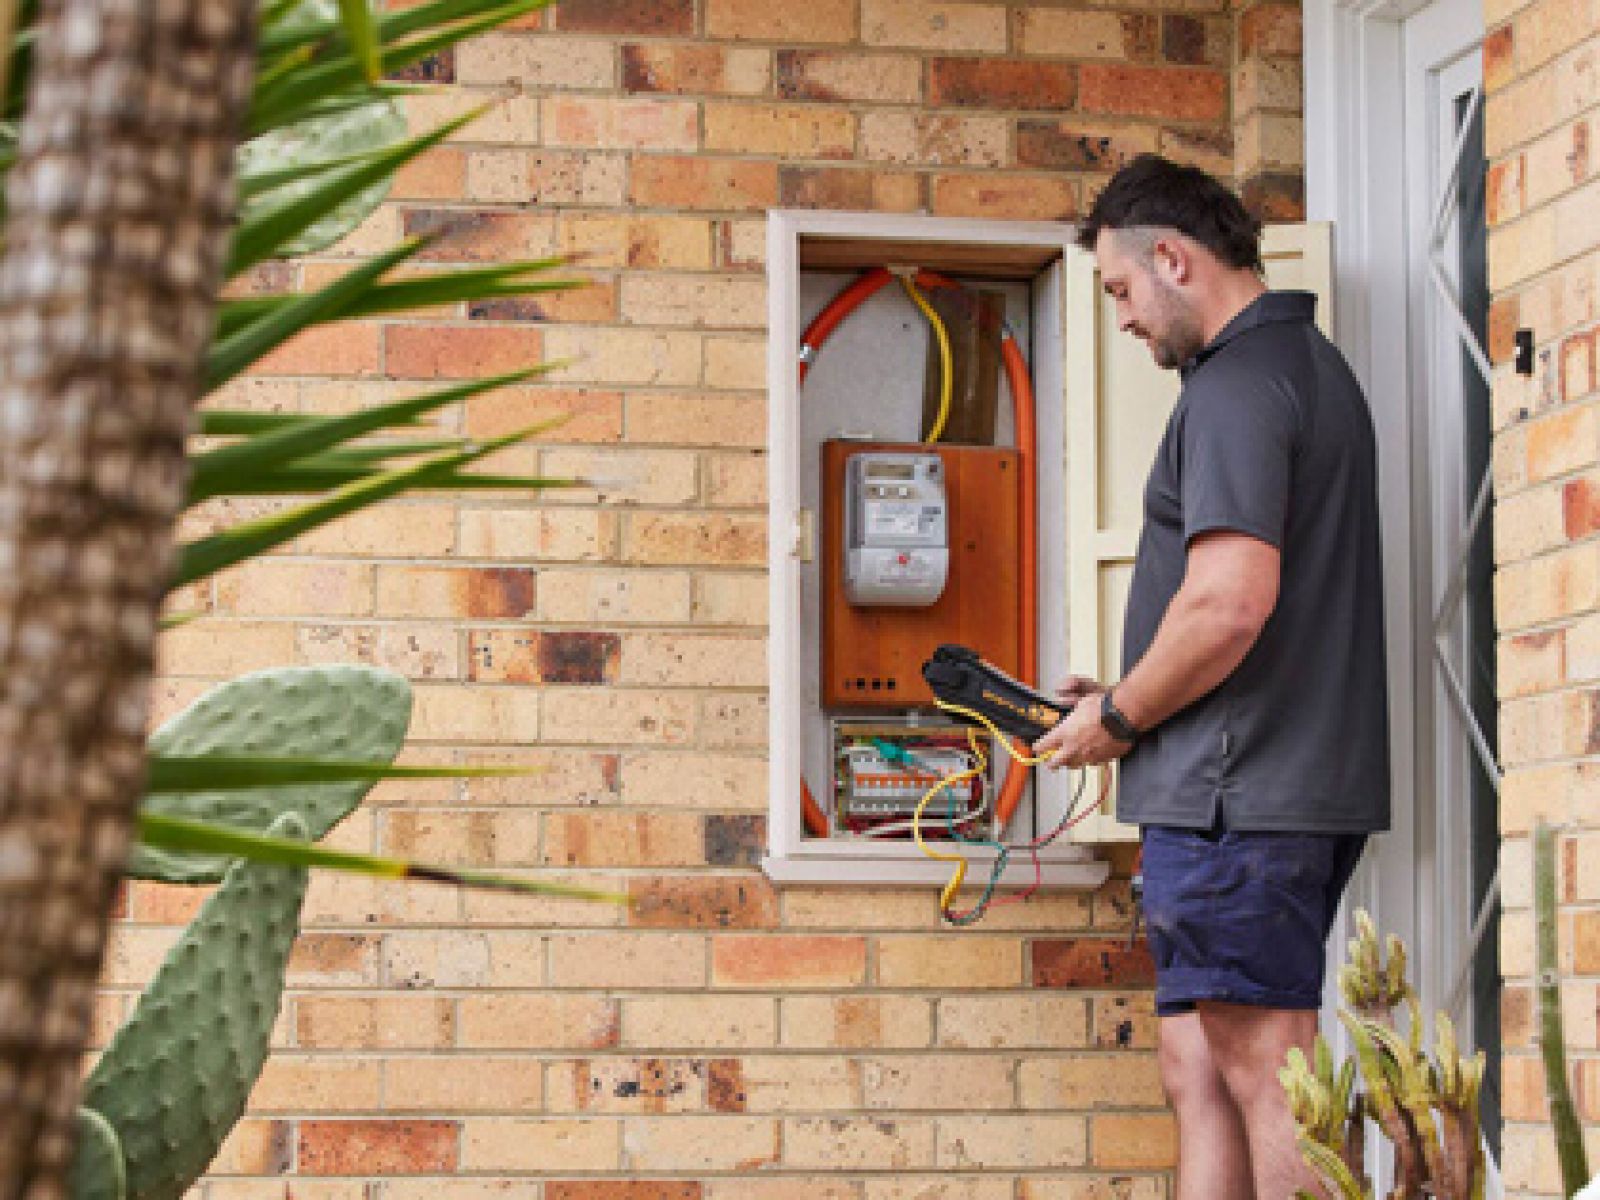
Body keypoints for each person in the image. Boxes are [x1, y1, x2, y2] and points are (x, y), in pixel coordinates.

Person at [1033, 154, 1390, 1200]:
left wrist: (1124, 715)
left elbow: (1230, 602)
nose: (1123, 321)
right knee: (1197, 1068)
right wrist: (1118, 694)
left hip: (1241, 801)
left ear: (1173, 260)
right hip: (1250, 785)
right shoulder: (1300, 371)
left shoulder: (1237, 387)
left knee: (1265, 1072)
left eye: (1118, 291)